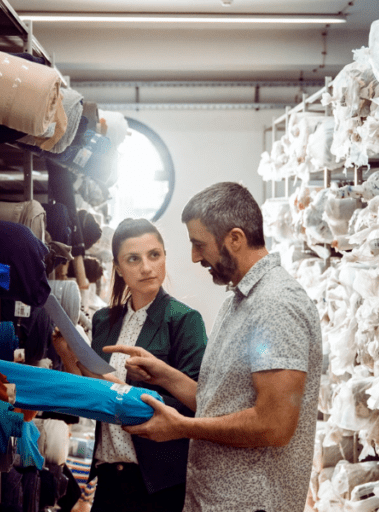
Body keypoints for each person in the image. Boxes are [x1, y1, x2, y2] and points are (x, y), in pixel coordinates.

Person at [107, 182, 323, 512]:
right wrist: (166, 376)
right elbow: (220, 402)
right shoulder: (241, 299)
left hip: (250, 504)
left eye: (199, 244)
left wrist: (181, 427)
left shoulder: (275, 305)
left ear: (234, 239)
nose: (194, 257)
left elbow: (275, 424)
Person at [53, 218, 208, 512]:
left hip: (159, 483)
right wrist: (65, 352)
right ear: (119, 268)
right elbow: (89, 394)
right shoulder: (103, 320)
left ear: (164, 257)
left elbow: (199, 402)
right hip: (109, 475)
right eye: (133, 259)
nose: (147, 267)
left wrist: (133, 390)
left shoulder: (184, 319)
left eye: (154, 255)